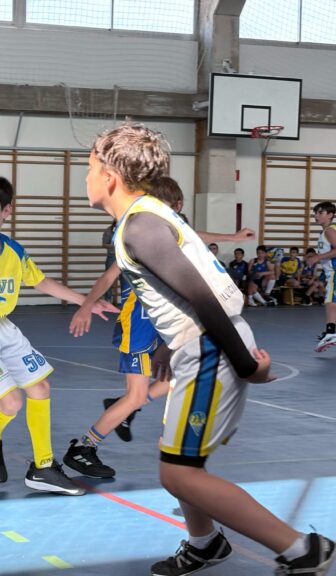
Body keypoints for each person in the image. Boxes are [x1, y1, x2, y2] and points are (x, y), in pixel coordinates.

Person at [85, 123, 333, 576]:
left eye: (88, 167)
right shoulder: (146, 216)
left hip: (210, 348)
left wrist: (245, 365)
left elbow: (204, 297)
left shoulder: (140, 227)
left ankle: (302, 550)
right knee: (177, 453)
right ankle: (204, 544)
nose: (84, 177)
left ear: (109, 176)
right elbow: (173, 291)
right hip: (197, 345)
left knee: (177, 472)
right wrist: (165, 345)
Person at [0, 173, 117, 495]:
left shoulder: (14, 251)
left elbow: (42, 282)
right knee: (12, 402)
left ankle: (43, 467)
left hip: (2, 326)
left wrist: (87, 302)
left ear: (6, 211)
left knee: (40, 388)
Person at [65, 176, 254, 479]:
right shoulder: (140, 232)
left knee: (177, 378)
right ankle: (84, 448)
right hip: (138, 323)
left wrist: (232, 237)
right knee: (138, 395)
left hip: (159, 325)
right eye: (175, 207)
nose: (177, 214)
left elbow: (193, 234)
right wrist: (86, 305)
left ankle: (129, 411)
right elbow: (109, 276)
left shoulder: (169, 232)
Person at [307, 202, 336, 352]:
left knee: (330, 301)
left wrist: (318, 257)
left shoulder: (329, 231)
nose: (316, 216)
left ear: (330, 214)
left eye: (320, 213)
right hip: (331, 271)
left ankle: (331, 332)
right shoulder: (328, 231)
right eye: (315, 213)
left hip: (335, 272)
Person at [101, 219, 117, 303]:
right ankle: (108, 299)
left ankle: (125, 299)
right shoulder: (109, 231)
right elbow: (104, 244)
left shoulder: (126, 230)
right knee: (109, 279)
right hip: (112, 256)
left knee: (125, 279)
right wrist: (113, 245)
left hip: (123, 257)